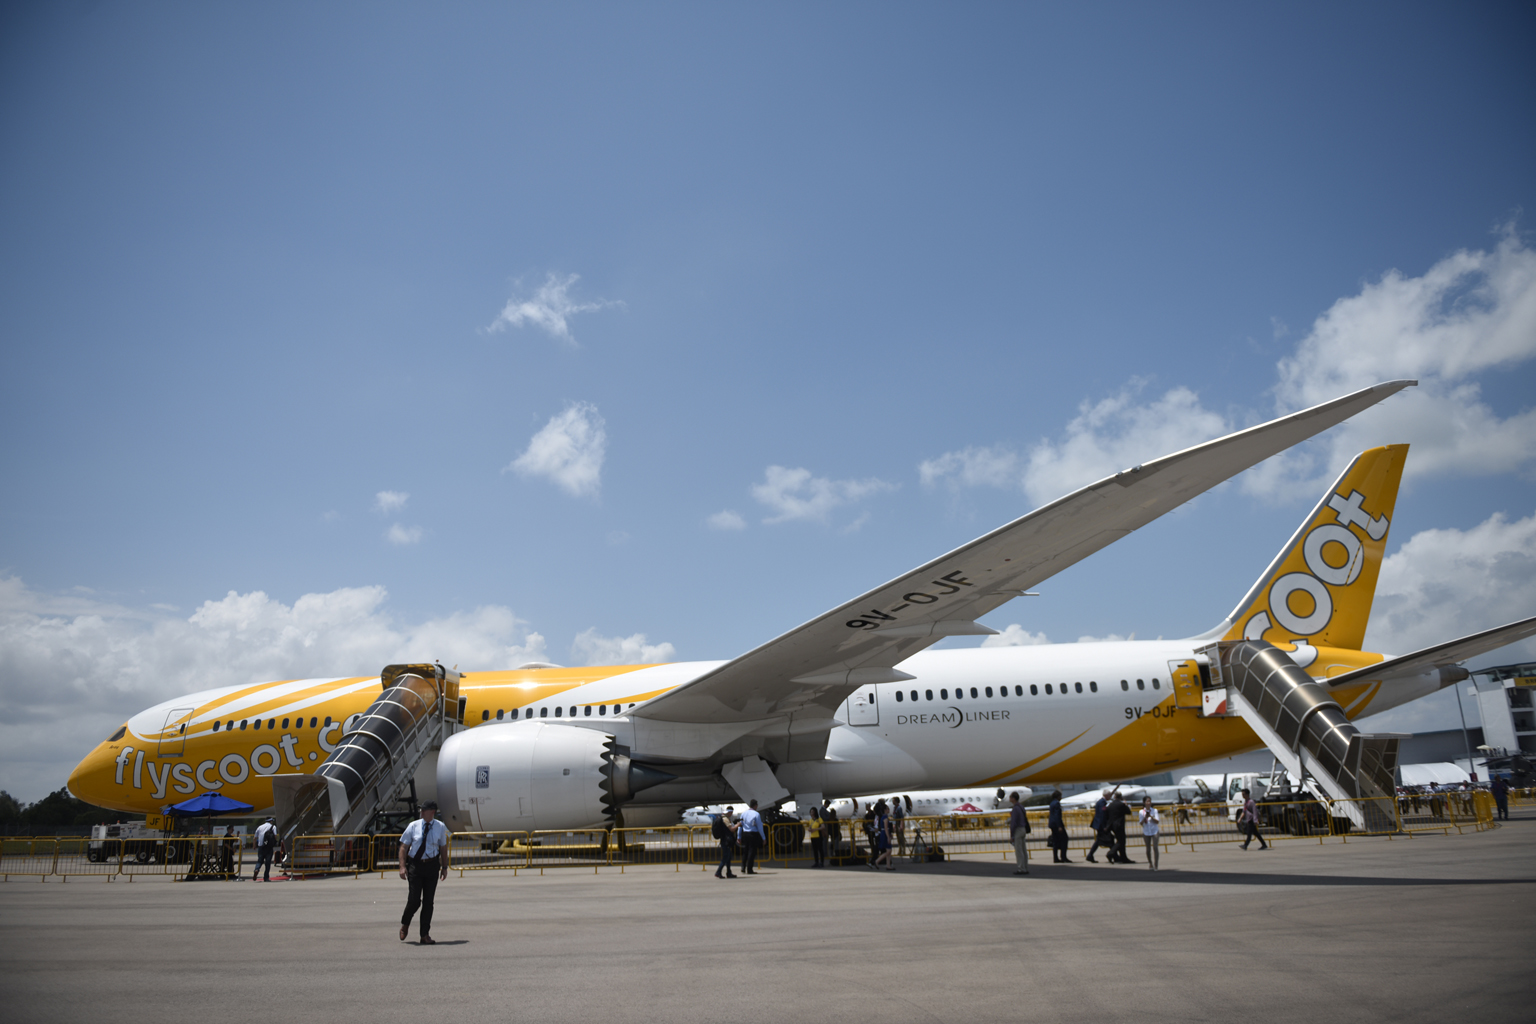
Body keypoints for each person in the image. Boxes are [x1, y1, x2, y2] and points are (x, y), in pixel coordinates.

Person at [398, 800, 449, 944]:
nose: (421, 812)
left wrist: (444, 867)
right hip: (415, 866)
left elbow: (443, 848)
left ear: (432, 812)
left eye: (424, 810)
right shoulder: (413, 826)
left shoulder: (440, 827)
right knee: (414, 900)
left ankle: (424, 935)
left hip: (432, 866)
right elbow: (403, 847)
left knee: (428, 902)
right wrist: (402, 866)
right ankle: (405, 923)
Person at [739, 799, 765, 875]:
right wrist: (763, 838)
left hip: (745, 834)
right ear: (755, 805)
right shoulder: (756, 814)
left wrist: (738, 836)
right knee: (752, 852)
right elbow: (760, 827)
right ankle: (749, 869)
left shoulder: (743, 814)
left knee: (745, 851)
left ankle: (743, 867)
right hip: (753, 834)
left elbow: (740, 825)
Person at [1085, 789, 1111, 863]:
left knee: (1100, 840)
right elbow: (1102, 815)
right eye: (1109, 795)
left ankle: (1114, 854)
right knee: (1104, 840)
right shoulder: (1102, 803)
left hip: (1099, 824)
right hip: (1101, 825)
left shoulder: (1101, 802)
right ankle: (1113, 854)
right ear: (1106, 795)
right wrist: (1104, 826)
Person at [1106, 791, 1133, 863]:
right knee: (1121, 841)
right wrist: (1126, 804)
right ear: (1120, 797)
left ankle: (1123, 858)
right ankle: (1111, 853)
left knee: (1120, 840)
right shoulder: (1121, 805)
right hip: (1119, 825)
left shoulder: (1111, 805)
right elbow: (1128, 812)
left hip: (1112, 826)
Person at [1008, 790, 1030, 875]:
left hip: (1018, 830)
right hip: (1023, 829)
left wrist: (1012, 835)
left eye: (1010, 797)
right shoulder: (1021, 807)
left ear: (1013, 798)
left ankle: (1021, 868)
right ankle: (1025, 867)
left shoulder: (1015, 808)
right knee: (1023, 850)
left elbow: (1014, 823)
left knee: (1019, 851)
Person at [1047, 789, 1071, 863]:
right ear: (1058, 796)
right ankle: (1063, 856)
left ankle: (1056, 858)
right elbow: (1057, 815)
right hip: (1057, 824)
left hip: (1052, 824)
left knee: (1055, 841)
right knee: (1064, 839)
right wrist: (1059, 826)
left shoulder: (1052, 803)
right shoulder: (1057, 803)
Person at [252, 816, 278, 882]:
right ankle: (266, 878)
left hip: (261, 846)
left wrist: (254, 845)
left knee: (260, 861)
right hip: (269, 847)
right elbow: (275, 836)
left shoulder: (260, 827)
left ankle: (256, 869)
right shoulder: (273, 827)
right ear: (271, 821)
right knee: (268, 863)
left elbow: (255, 838)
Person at [713, 809, 738, 878]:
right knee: (725, 857)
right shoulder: (725, 819)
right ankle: (718, 872)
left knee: (728, 857)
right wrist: (738, 825)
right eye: (731, 812)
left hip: (725, 840)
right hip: (725, 841)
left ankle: (729, 872)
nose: (731, 814)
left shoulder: (725, 818)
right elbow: (731, 829)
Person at [1138, 796, 1161, 871]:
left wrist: (1151, 816)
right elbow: (1141, 823)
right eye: (1147, 801)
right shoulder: (1141, 812)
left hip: (1154, 830)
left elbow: (1157, 821)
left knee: (1155, 847)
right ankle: (1150, 863)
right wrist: (1145, 817)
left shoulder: (1154, 810)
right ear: (1144, 803)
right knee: (1148, 848)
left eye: (1150, 801)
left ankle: (1156, 864)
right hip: (1146, 831)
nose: (1149, 803)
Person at [871, 800, 894, 870]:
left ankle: (888, 865)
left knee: (888, 850)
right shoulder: (885, 818)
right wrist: (888, 837)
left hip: (883, 834)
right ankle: (877, 861)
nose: (888, 810)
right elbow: (886, 828)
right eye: (887, 809)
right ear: (885, 810)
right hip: (884, 834)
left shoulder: (883, 817)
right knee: (888, 851)